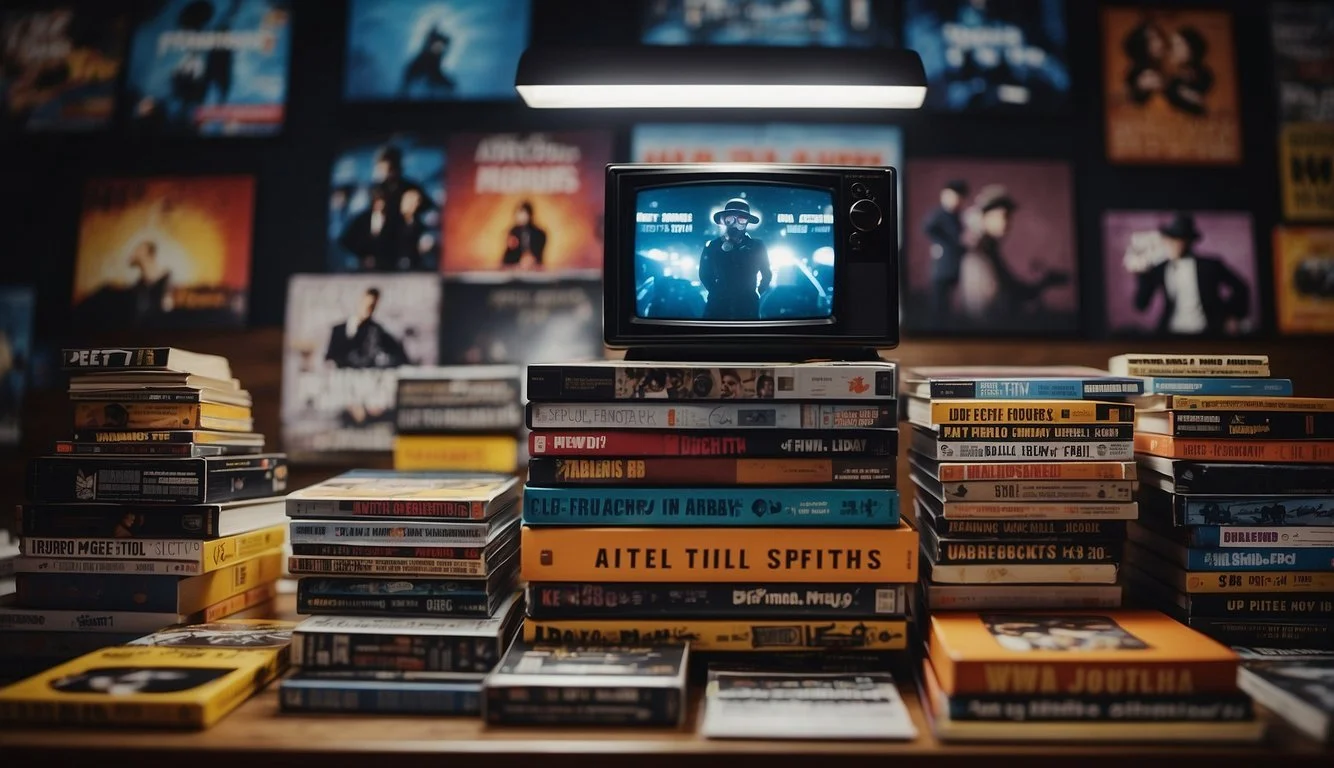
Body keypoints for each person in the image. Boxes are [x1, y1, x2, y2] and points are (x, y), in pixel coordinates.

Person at [959, 185, 1068, 323]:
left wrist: (1043, 283)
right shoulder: (977, 254)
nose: (1006, 221)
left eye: (1008, 216)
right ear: (983, 218)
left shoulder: (991, 251)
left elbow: (1013, 288)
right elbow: (988, 308)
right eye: (1000, 215)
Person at [1129, 212, 1250, 335]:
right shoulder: (1160, 268)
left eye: (1178, 240)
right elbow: (1141, 305)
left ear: (1189, 242)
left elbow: (1241, 287)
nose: (1172, 244)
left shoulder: (1210, 266)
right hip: (1171, 332)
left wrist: (1231, 316)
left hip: (1208, 332)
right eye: (1170, 239)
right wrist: (1143, 274)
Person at [698, 198, 772, 319]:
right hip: (718, 307)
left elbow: (767, 274)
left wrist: (756, 293)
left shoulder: (757, 246)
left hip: (747, 307)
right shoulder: (713, 246)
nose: (735, 224)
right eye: (730, 219)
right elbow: (704, 274)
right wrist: (717, 293)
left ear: (747, 222)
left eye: (741, 219)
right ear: (724, 220)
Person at [325, 287, 410, 369]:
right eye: (367, 305)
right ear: (360, 302)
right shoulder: (338, 330)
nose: (369, 310)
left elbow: (398, 353)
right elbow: (329, 359)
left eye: (372, 307)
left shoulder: (376, 331)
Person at [922, 179, 969, 324]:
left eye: (957, 197)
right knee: (939, 300)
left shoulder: (959, 217)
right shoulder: (938, 215)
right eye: (950, 196)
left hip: (957, 264)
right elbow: (927, 228)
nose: (953, 200)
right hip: (943, 266)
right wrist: (940, 244)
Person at [1163, 26, 1213, 116]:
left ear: (1190, 48)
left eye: (1178, 45)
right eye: (1171, 45)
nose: (1172, 49)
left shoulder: (1203, 76)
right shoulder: (1172, 80)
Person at [1122, 19, 1168, 105]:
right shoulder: (1146, 76)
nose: (1160, 43)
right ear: (1142, 46)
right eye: (1152, 40)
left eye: (1160, 37)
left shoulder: (1161, 66)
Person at [401, 26, 456, 96]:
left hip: (431, 79)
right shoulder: (423, 56)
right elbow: (410, 72)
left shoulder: (438, 57)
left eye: (441, 47)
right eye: (436, 46)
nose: (438, 48)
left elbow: (436, 73)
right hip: (417, 78)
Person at [127, 240, 172, 324]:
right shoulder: (140, 285)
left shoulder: (166, 281)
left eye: (139, 249)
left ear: (147, 253)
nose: (134, 252)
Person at [501, 201, 547, 269]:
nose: (519, 217)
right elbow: (508, 256)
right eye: (518, 214)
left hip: (534, 267)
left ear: (529, 214)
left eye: (522, 213)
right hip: (516, 267)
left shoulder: (539, 233)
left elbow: (538, 253)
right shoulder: (513, 232)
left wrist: (530, 259)